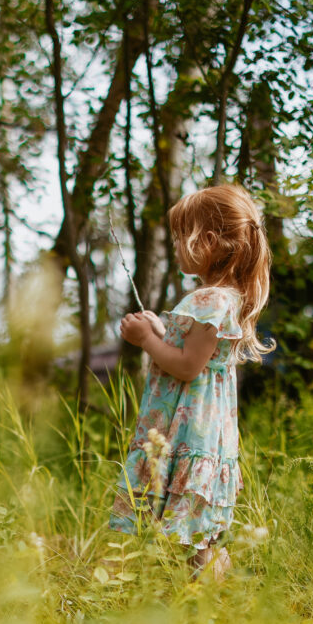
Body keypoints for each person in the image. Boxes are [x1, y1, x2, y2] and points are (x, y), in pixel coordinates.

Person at [108, 184, 274, 580]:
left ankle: (208, 606)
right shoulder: (221, 298)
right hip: (204, 429)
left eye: (183, 237)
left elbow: (186, 367)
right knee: (200, 537)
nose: (178, 245)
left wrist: (146, 340)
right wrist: (161, 329)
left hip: (188, 431)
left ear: (210, 241)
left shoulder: (210, 300)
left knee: (196, 541)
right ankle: (215, 605)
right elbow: (193, 351)